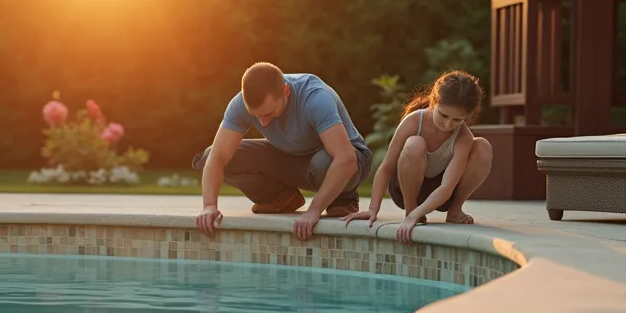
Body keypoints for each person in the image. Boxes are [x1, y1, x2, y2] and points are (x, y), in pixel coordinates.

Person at [193, 62, 372, 241]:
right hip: (294, 156)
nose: (262, 123)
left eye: (269, 113)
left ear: (286, 91)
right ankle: (281, 198)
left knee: (324, 162)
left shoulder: (315, 98)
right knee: (211, 155)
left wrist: (314, 210)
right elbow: (218, 156)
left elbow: (345, 159)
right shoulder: (239, 103)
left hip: (349, 160)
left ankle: (344, 199)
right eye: (256, 116)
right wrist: (209, 206)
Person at [342, 70, 493, 244]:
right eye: (443, 115)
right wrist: (373, 209)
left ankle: (455, 211)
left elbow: (446, 187)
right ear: (433, 101)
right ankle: (411, 210)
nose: (447, 124)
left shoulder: (462, 136)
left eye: (457, 120)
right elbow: (386, 168)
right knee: (415, 143)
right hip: (406, 190)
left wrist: (421, 213)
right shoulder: (414, 121)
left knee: (483, 146)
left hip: (443, 196)